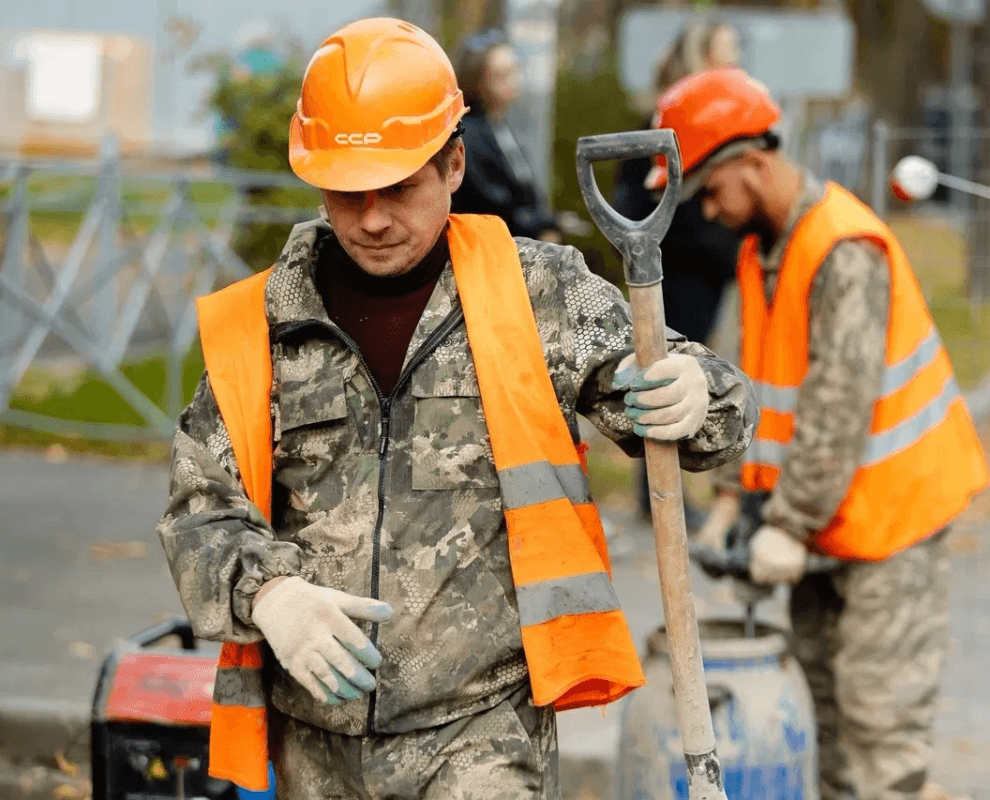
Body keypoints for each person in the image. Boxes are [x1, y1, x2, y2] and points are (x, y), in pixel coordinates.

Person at [157, 19, 756, 800]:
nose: (371, 218)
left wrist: (696, 395)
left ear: (454, 165)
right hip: (315, 741)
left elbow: (711, 412)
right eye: (348, 191)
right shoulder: (262, 324)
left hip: (482, 733)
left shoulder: (535, 291)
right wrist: (268, 594)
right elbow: (200, 511)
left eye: (399, 187)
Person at [649, 68, 990, 800]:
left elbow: (839, 406)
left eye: (711, 189)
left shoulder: (843, 249)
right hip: (823, 529)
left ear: (752, 162)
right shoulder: (761, 252)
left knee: (880, 743)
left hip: (891, 525)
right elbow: (755, 387)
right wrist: (737, 499)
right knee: (831, 738)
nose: (708, 210)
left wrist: (790, 523)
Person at [613, 21, 745, 523]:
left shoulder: (709, 110)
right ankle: (660, 493)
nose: (735, 59)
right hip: (677, 268)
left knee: (685, 373)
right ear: (704, 52)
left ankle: (666, 492)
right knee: (667, 375)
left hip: (705, 267)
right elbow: (652, 194)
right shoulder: (675, 112)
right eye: (728, 48)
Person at [449, 28, 584, 243]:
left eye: (515, 70)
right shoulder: (469, 134)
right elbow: (491, 205)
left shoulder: (499, 127)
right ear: (477, 80)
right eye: (502, 74)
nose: (515, 80)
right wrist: (541, 226)